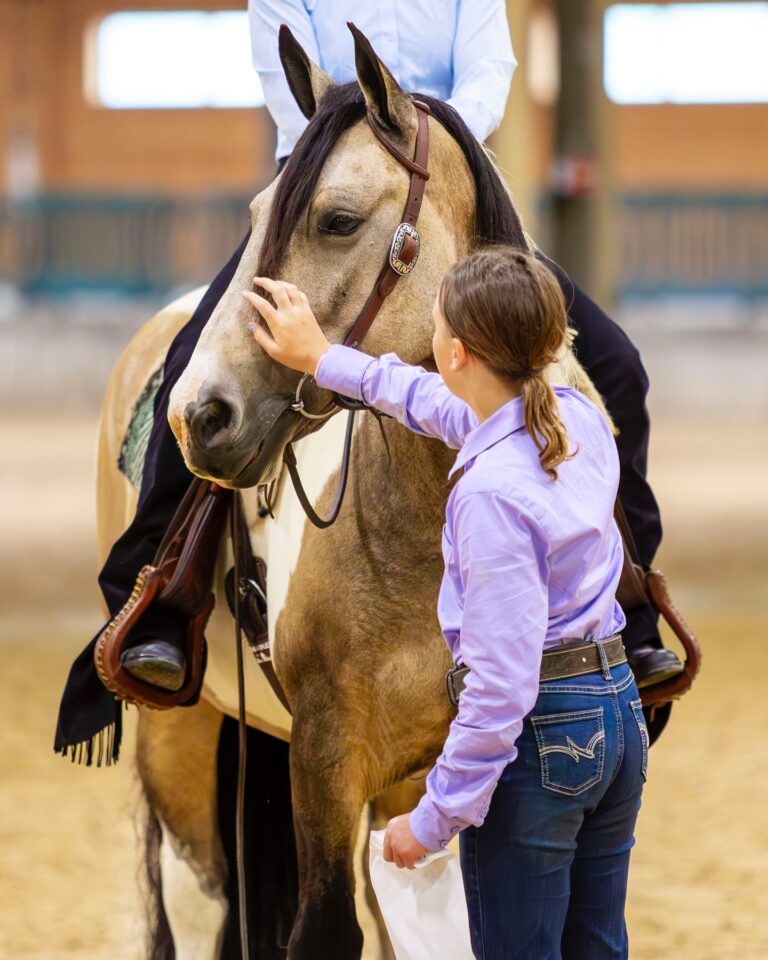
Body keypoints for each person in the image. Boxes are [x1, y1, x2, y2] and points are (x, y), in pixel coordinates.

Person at [54, 1, 677, 765]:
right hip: (326, 190)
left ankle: (633, 608)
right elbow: (283, 83)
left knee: (615, 365)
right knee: (194, 365)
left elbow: (491, 70)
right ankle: (160, 595)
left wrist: (425, 138)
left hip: (450, 189)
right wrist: (348, 136)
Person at [241, 249, 646, 959]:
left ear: (454, 352)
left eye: (431, 327)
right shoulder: (575, 415)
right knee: (598, 947)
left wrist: (431, 820)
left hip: (547, 735)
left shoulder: (489, 495)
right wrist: (324, 359)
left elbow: (500, 687)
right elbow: (427, 402)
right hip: (617, 711)